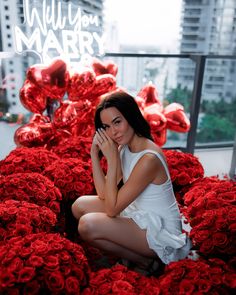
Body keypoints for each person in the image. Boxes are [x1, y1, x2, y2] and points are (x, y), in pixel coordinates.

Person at [71, 90, 191, 274]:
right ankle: (140, 257)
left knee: (87, 225)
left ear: (131, 117)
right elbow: (105, 195)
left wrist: (111, 161)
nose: (113, 132)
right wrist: (94, 155)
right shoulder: (125, 148)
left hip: (159, 230)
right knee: (79, 206)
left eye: (117, 122)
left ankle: (146, 261)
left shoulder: (148, 159)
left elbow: (111, 209)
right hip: (137, 213)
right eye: (107, 126)